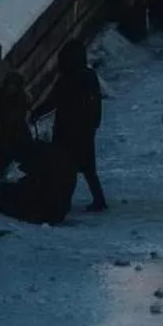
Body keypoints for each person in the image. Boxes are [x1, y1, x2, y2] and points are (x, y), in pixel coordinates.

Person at [36, 39, 107, 211]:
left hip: (66, 128)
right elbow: (96, 100)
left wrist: (36, 113)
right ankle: (99, 200)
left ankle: (62, 202)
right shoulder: (89, 76)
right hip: (85, 129)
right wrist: (95, 121)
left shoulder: (66, 79)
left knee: (63, 167)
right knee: (88, 168)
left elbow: (53, 100)